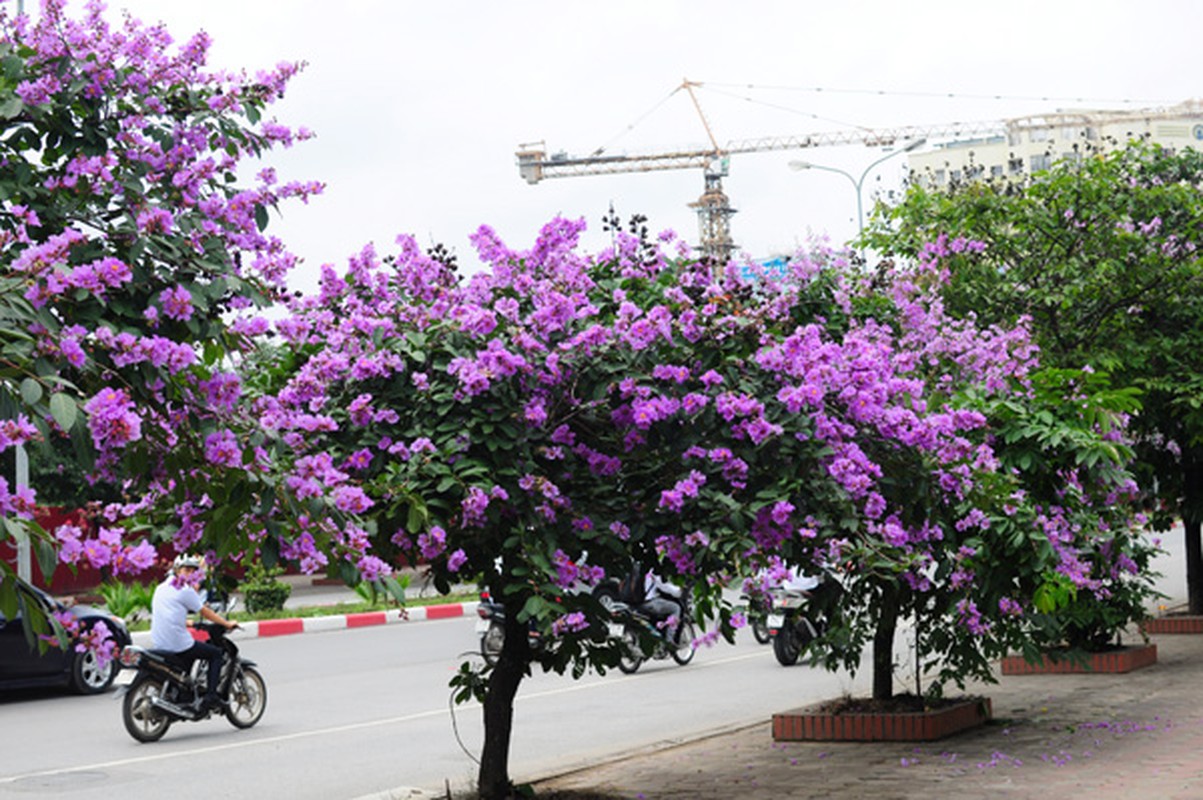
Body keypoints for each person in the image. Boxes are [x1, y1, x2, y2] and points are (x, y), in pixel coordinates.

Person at [151, 554, 239, 711]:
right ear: (177, 571)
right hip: (176, 643)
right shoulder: (184, 590)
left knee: (190, 654)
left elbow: (168, 613)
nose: (190, 574)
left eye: (193, 570)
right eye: (186, 569)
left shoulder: (161, 587)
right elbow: (205, 611)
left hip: (159, 642)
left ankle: (185, 692)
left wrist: (188, 622)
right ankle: (211, 697)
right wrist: (226, 623)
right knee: (215, 653)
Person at [640, 569, 684, 641]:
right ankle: (669, 640)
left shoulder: (635, 566)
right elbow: (664, 586)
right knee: (676, 608)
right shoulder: (653, 570)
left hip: (634, 604)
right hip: (650, 602)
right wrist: (678, 591)